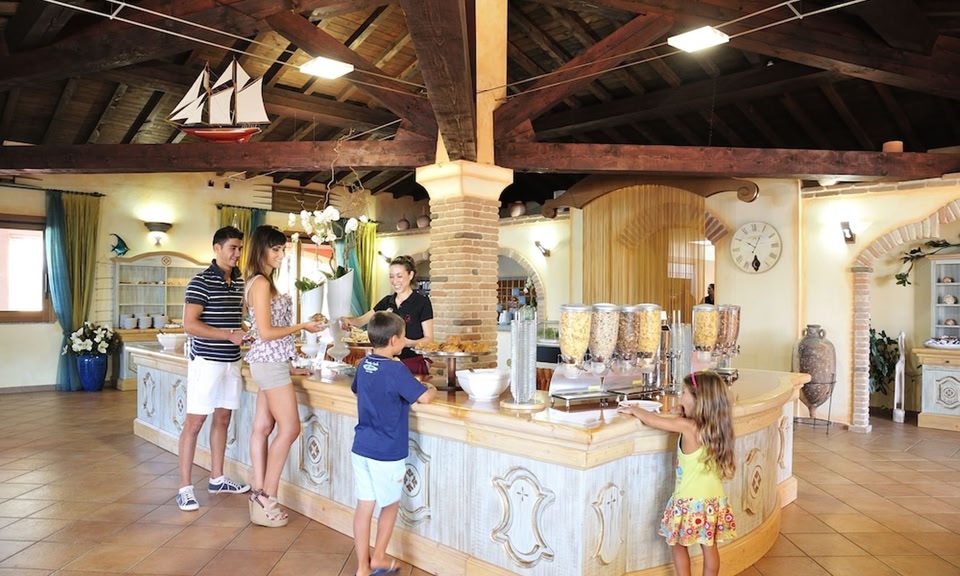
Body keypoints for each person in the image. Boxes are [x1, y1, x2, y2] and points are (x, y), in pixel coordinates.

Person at [243, 225, 327, 527]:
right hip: (269, 364)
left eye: (282, 249)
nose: (281, 254)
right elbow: (266, 332)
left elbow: (266, 335)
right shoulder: (261, 283)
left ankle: (259, 494)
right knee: (290, 428)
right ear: (262, 250)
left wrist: (291, 366)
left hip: (271, 362)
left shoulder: (260, 281)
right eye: (275, 249)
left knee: (263, 426)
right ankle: (267, 495)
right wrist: (303, 326)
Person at [618, 371, 737, 576]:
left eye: (684, 393)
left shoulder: (688, 427)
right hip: (713, 502)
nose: (680, 397)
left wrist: (635, 409)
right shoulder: (716, 428)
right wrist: (684, 410)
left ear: (698, 400)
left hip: (689, 501)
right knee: (710, 547)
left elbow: (654, 421)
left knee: (678, 545)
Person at [351, 311, 437, 576]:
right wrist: (431, 388)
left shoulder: (363, 364)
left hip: (361, 447)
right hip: (386, 451)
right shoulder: (396, 369)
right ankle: (378, 557)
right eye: (403, 337)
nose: (405, 341)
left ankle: (362, 567)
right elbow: (424, 398)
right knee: (389, 505)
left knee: (364, 505)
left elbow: (357, 390)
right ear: (393, 340)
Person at [177, 226, 250, 511]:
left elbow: (233, 319)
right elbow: (190, 324)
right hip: (206, 362)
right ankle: (185, 488)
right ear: (217, 248)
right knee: (194, 423)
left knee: (223, 418)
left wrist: (244, 330)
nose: (237, 253)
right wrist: (229, 335)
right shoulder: (200, 281)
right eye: (232, 248)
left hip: (232, 361)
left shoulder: (239, 282)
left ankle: (217, 479)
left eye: (240, 248)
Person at [342, 255, 433, 375]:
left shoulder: (422, 302)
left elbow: (429, 339)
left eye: (399, 276)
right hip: (386, 363)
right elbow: (361, 321)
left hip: (412, 362)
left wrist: (406, 342)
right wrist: (346, 320)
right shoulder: (387, 301)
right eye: (391, 276)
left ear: (410, 275)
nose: (395, 281)